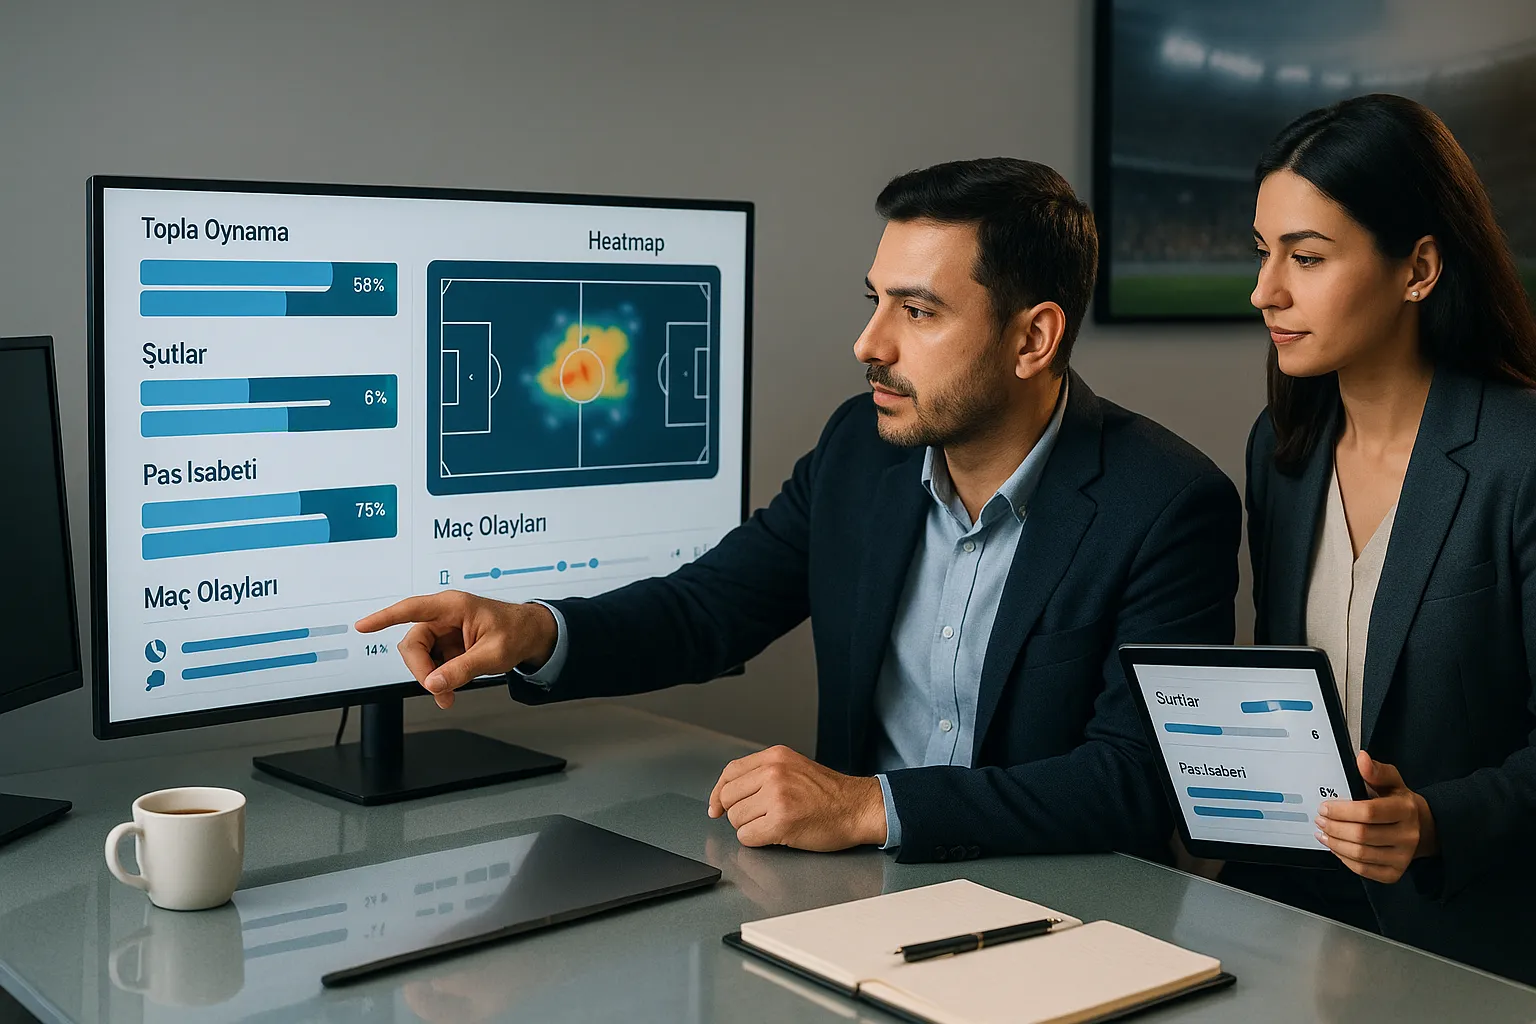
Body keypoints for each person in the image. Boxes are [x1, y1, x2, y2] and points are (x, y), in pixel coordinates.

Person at [359, 157, 1240, 863]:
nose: (869, 343)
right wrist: (535, 631)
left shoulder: (1167, 503)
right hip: (860, 899)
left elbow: (1136, 779)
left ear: (1033, 338)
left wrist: (866, 805)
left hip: (1070, 914)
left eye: (918, 311)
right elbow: (708, 610)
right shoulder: (862, 447)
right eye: (876, 301)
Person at [1235, 93, 1536, 984]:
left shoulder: (1521, 454)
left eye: (1306, 257)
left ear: (1420, 269)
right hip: (1295, 921)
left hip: (1473, 939)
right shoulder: (1281, 450)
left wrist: (1435, 821)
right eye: (1262, 252)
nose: (1265, 291)